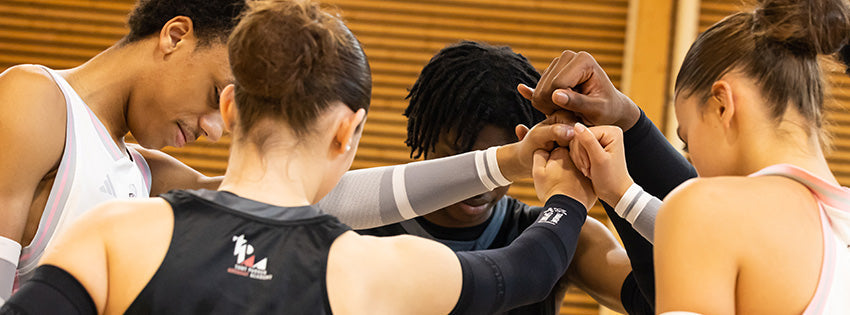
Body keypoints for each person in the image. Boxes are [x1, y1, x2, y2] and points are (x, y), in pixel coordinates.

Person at [0, 0, 596, 314]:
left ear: (237, 111)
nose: (209, 127)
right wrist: (567, 197)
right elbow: (522, 272)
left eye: (217, 109)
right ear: (349, 133)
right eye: (210, 96)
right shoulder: (35, 100)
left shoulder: (129, 208)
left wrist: (508, 164)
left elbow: (290, 204)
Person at [533, 0, 850, 313]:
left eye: (686, 140)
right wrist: (622, 195)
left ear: (722, 105)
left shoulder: (704, 207)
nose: (692, 160)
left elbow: (706, 227)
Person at [358, 40, 632, 314]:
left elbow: (659, 296)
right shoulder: (358, 231)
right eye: (464, 158)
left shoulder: (568, 232)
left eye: (503, 160)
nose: (481, 187)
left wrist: (622, 192)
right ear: (423, 138)